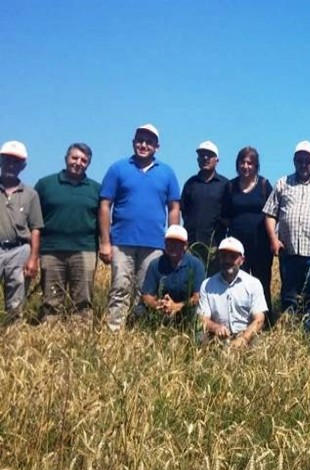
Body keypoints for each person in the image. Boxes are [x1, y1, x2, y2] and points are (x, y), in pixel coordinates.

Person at [99, 124, 181, 331]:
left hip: (154, 243)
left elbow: (173, 207)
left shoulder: (167, 172)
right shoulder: (118, 169)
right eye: (140, 140)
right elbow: (105, 205)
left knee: (146, 291)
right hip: (121, 241)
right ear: (133, 142)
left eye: (149, 142)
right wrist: (105, 242)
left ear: (157, 146)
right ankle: (114, 333)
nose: (144, 145)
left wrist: (173, 240)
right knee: (120, 287)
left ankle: (138, 331)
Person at [263, 141, 310, 321]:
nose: (303, 164)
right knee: (289, 297)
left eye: (307, 161)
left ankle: (308, 334)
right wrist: (273, 240)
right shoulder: (282, 183)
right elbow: (270, 214)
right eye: (300, 160)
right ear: (294, 161)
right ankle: (289, 331)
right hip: (289, 252)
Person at [35, 143, 100, 321]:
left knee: (83, 301)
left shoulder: (95, 189)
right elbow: (34, 218)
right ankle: (50, 337)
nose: (78, 163)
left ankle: (79, 339)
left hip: (85, 250)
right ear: (66, 159)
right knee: (51, 299)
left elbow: (102, 220)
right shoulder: (45, 185)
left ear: (88, 164)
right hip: (51, 250)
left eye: (84, 160)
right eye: (75, 158)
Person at [222, 146, 274, 321]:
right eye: (242, 162)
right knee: (237, 283)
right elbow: (225, 216)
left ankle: (266, 322)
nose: (246, 166)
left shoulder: (265, 185)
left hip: (261, 244)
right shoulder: (230, 186)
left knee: (262, 283)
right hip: (237, 246)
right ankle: (240, 320)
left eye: (250, 163)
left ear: (256, 165)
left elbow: (273, 214)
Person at [0, 140, 43, 321]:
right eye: (7, 159)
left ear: (23, 166)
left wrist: (33, 258)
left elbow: (35, 228)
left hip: (19, 250)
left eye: (16, 161)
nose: (11, 164)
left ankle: (13, 338)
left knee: (16, 301)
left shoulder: (30, 194)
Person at [198, 237, 267, 348]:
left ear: (242, 260)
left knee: (260, 345)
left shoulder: (253, 283)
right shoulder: (207, 285)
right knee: (200, 338)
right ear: (219, 258)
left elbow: (259, 319)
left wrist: (243, 339)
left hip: (245, 334)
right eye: (224, 256)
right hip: (217, 336)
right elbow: (202, 319)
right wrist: (215, 327)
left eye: (233, 257)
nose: (227, 260)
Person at [140, 225, 205, 326]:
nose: (172, 246)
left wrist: (177, 306)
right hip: (162, 309)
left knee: (197, 312)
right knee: (139, 311)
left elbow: (197, 297)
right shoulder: (155, 264)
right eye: (169, 242)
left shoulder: (196, 265)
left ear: (185, 245)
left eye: (177, 243)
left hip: (185, 310)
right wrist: (159, 305)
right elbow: (147, 295)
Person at [181, 141, 228, 274]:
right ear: (198, 159)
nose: (205, 158)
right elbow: (184, 211)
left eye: (209, 155)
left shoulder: (225, 185)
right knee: (190, 280)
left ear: (216, 160)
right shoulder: (190, 184)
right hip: (191, 245)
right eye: (202, 155)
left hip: (214, 246)